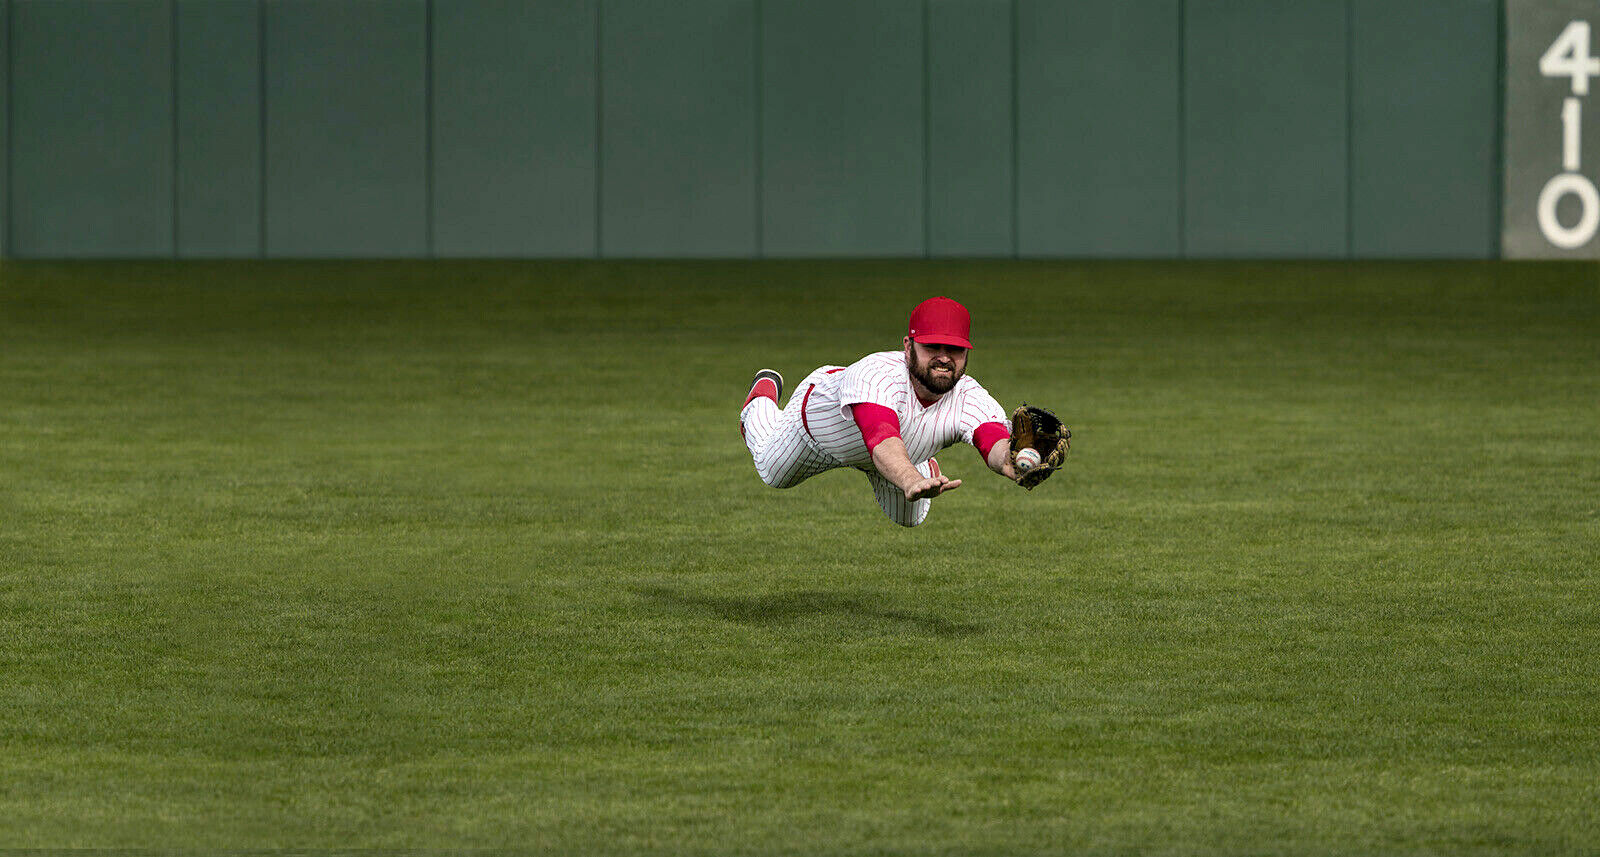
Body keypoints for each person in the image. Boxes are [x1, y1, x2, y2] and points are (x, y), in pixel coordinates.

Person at [739, 296, 1023, 527]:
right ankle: (761, 396)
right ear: (908, 346)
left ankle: (918, 464)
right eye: (932, 346)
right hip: (815, 434)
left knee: (910, 518)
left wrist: (1013, 460)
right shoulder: (876, 374)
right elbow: (881, 438)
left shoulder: (970, 396)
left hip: (893, 457)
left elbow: (993, 441)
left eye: (955, 349)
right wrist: (912, 478)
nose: (944, 357)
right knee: (771, 471)